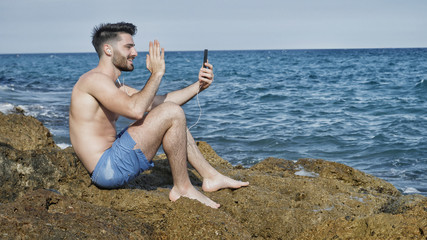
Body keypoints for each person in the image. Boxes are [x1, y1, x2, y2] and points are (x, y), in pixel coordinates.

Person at [69, 22, 249, 209]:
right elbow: (137, 110)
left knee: (172, 116)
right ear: (108, 49)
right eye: (128, 47)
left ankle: (211, 176)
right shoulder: (94, 80)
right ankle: (183, 188)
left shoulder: (113, 86)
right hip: (107, 168)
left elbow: (158, 102)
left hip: (111, 160)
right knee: (172, 113)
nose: (135, 53)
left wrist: (199, 86)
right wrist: (157, 74)